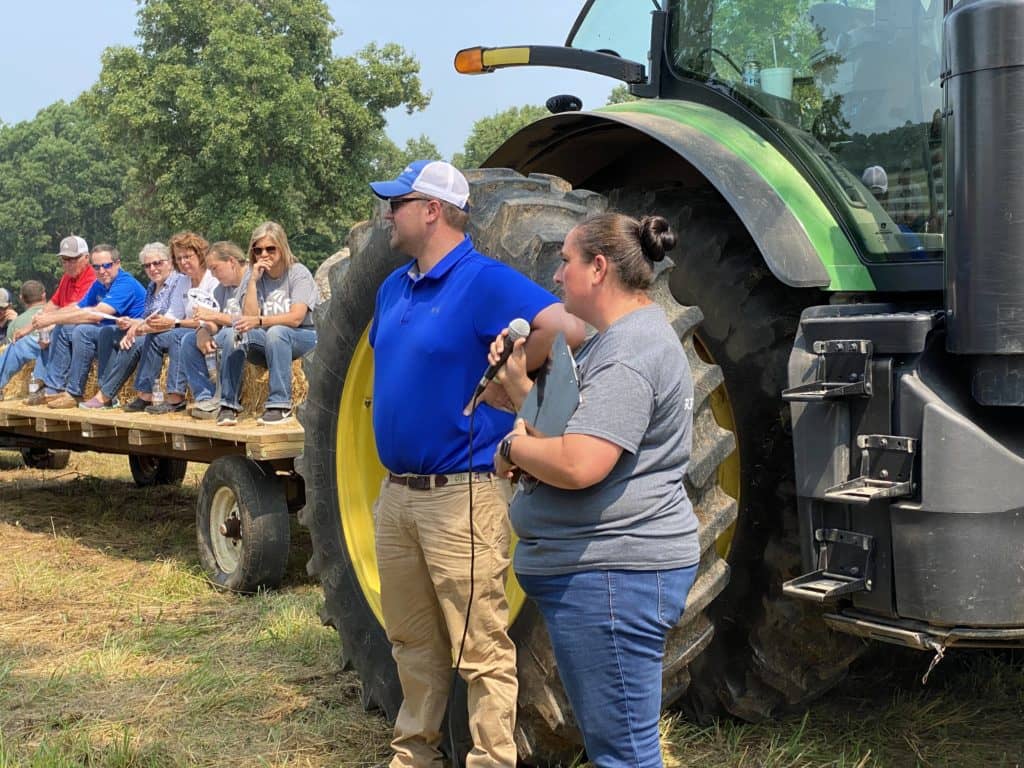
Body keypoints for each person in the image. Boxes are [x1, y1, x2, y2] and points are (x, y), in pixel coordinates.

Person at [366, 159, 585, 768]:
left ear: (432, 210)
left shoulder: (483, 280)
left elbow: (568, 325)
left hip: (458, 494)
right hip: (398, 496)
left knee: (479, 646)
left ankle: (491, 760)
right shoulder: (392, 287)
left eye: (398, 203)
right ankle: (414, 754)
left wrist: (513, 374)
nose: (388, 213)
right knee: (410, 638)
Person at [491, 212, 699, 768]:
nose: (558, 277)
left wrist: (513, 450)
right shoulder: (616, 342)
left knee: (624, 755)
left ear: (598, 268)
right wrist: (517, 385)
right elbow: (569, 428)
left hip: (612, 578)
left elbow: (581, 462)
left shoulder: (630, 351)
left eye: (566, 262)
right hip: (606, 575)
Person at [214, 222, 316, 426]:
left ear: (282, 247)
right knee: (231, 333)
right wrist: (252, 282)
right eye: (258, 250)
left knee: (277, 332)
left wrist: (261, 321)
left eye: (270, 248)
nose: (264, 254)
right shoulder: (253, 275)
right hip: (268, 338)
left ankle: (280, 404)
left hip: (302, 337)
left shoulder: (298, 273)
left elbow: (296, 318)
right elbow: (249, 319)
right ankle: (228, 405)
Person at [29, 245, 147, 409]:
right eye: (96, 267)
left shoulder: (125, 283)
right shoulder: (99, 284)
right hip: (110, 331)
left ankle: (75, 392)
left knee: (82, 331)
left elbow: (97, 314)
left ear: (117, 263)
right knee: (64, 328)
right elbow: (79, 307)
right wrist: (49, 318)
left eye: (106, 265)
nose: (101, 271)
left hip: (131, 333)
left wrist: (51, 318)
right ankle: (54, 389)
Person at [78, 242, 189, 411]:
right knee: (109, 332)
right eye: (147, 265)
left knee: (134, 342)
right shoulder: (152, 286)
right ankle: (108, 391)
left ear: (170, 263)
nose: (152, 268)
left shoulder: (179, 281)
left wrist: (137, 329)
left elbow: (172, 318)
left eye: (157, 263)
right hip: (156, 329)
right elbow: (147, 317)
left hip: (174, 329)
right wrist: (132, 322)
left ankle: (109, 395)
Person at [13, 235, 96, 390]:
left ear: (86, 258)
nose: (68, 264)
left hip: (81, 330)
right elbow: (53, 303)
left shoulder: (92, 277)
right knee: (18, 344)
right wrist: (28, 327)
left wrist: (48, 322)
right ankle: (28, 385)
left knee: (56, 332)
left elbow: (76, 309)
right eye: (64, 260)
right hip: (62, 327)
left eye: (72, 259)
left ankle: (50, 387)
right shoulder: (66, 278)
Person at [181, 241, 251, 419]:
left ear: (232, 262)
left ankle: (227, 401)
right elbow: (215, 323)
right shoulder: (221, 289)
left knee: (229, 334)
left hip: (251, 336)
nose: (212, 274)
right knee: (188, 340)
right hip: (228, 335)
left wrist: (212, 316)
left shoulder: (252, 281)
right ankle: (205, 397)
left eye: (215, 268)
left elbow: (248, 320)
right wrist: (203, 330)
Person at [0, 281, 47, 395]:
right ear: (44, 295)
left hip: (46, 348)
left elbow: (7, 345)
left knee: (17, 345)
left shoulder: (14, 323)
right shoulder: (56, 311)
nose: (0, 311)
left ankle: (39, 385)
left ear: (21, 298)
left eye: (2, 308)